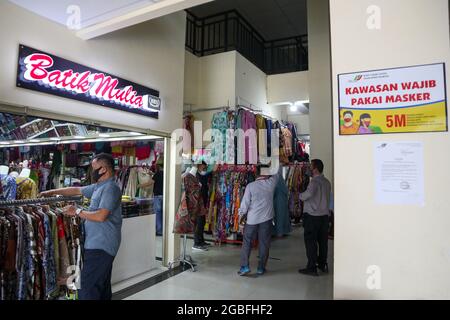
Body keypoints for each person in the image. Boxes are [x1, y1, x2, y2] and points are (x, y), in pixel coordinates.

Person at [40, 153, 122, 300]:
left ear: (103, 169)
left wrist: (76, 211)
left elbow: (101, 216)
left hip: (101, 246)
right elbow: (76, 190)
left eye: (93, 168)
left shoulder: (110, 188)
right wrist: (50, 192)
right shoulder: (99, 187)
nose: (91, 171)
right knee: (100, 285)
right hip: (96, 244)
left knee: (87, 288)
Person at [238, 166, 279, 276]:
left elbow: (244, 206)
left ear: (256, 174)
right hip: (266, 219)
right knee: (264, 243)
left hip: (252, 219)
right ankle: (261, 267)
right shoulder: (271, 184)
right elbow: (276, 173)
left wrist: (240, 221)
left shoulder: (250, 186)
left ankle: (245, 266)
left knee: (247, 242)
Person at [298, 159, 331, 276]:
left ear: (316, 169)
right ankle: (322, 264)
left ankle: (312, 267)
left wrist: (300, 195)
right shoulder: (327, 182)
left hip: (312, 216)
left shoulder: (314, 183)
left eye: (310, 167)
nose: (309, 169)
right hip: (324, 216)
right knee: (323, 242)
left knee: (310, 242)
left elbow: (307, 195)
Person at [193, 161, 216, 251]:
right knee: (199, 222)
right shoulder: (197, 176)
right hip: (198, 203)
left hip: (203, 202)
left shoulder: (203, 175)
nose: (205, 167)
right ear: (199, 166)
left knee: (202, 222)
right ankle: (196, 243)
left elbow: (212, 172)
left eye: (205, 166)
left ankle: (201, 240)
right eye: (203, 166)